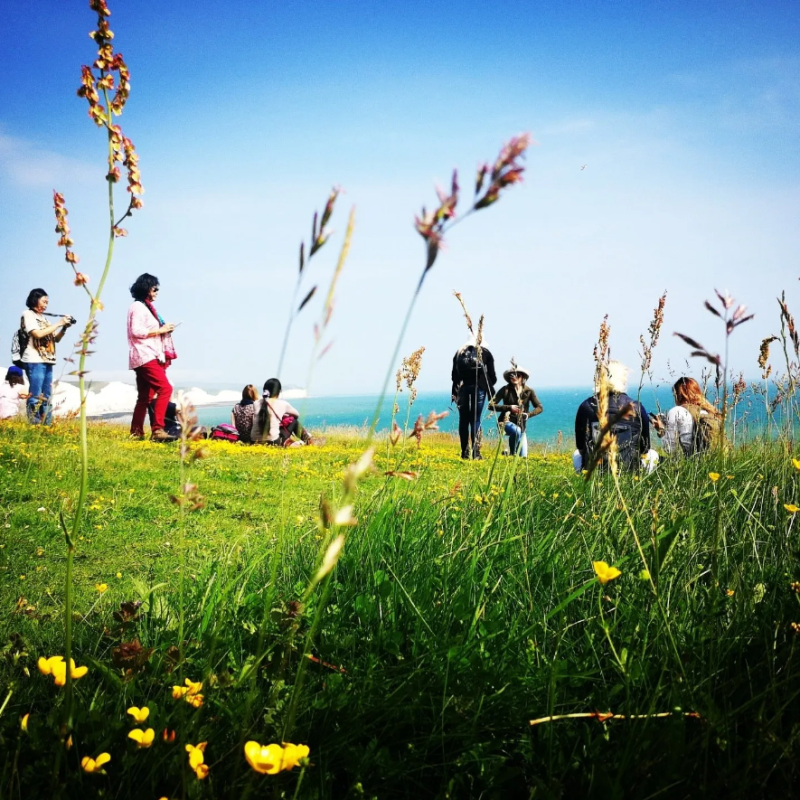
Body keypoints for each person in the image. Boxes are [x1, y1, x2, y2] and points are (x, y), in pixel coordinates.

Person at [574, 361, 657, 474]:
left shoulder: (586, 406)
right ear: (623, 379)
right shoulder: (636, 407)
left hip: (596, 470)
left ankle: (586, 483)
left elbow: (581, 448)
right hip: (629, 469)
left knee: (576, 455)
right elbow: (645, 448)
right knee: (653, 455)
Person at [127, 273, 177, 441]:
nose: (157, 292)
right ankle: (157, 430)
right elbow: (136, 331)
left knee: (145, 397)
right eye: (155, 288)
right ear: (146, 288)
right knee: (165, 388)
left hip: (143, 355)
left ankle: (136, 433)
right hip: (145, 354)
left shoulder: (145, 307)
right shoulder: (138, 307)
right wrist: (161, 330)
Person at [20, 288, 74, 424]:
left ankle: (47, 426)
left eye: (47, 302)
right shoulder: (28, 314)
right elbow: (37, 334)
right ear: (35, 299)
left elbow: (56, 339)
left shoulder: (44, 319)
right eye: (44, 301)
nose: (46, 305)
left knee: (47, 396)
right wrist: (59, 323)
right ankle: (35, 426)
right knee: (35, 395)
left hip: (47, 360)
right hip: (34, 359)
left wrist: (64, 328)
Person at [451, 337, 496, 460]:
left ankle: (464, 452)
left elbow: (454, 376)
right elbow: (493, 377)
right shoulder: (485, 353)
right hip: (479, 388)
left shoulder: (459, 353)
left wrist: (454, 392)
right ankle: (476, 453)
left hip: (462, 388)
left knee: (463, 420)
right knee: (475, 420)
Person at [657, 377, 722, 456]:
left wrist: (661, 429)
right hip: (719, 461)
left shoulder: (677, 411)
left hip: (696, 464)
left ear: (678, 394)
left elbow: (670, 450)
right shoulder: (710, 412)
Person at [489, 366, 543, 457]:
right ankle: (511, 454)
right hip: (505, 421)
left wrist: (528, 415)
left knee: (523, 457)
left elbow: (540, 407)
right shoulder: (505, 390)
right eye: (511, 375)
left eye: (517, 375)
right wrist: (509, 407)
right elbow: (490, 405)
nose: (514, 377)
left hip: (521, 425)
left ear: (522, 377)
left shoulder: (529, 391)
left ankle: (506, 454)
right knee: (516, 431)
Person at [250, 378, 313, 446]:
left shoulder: (256, 403)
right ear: (279, 391)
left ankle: (297, 442)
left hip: (254, 442)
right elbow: (297, 415)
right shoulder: (283, 404)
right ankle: (307, 441)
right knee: (294, 421)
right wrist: (284, 416)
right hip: (273, 442)